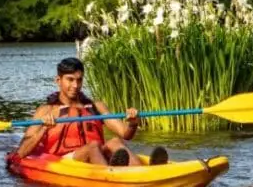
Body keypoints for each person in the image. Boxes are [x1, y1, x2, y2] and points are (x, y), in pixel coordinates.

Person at [15, 56, 166, 167]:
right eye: (70, 79)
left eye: (79, 80)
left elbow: (125, 134)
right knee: (93, 146)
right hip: (67, 161)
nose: (75, 85)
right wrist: (43, 129)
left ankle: (143, 172)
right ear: (58, 80)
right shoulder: (46, 110)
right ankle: (113, 176)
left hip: (97, 156)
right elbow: (21, 152)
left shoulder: (96, 106)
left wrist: (132, 123)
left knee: (114, 141)